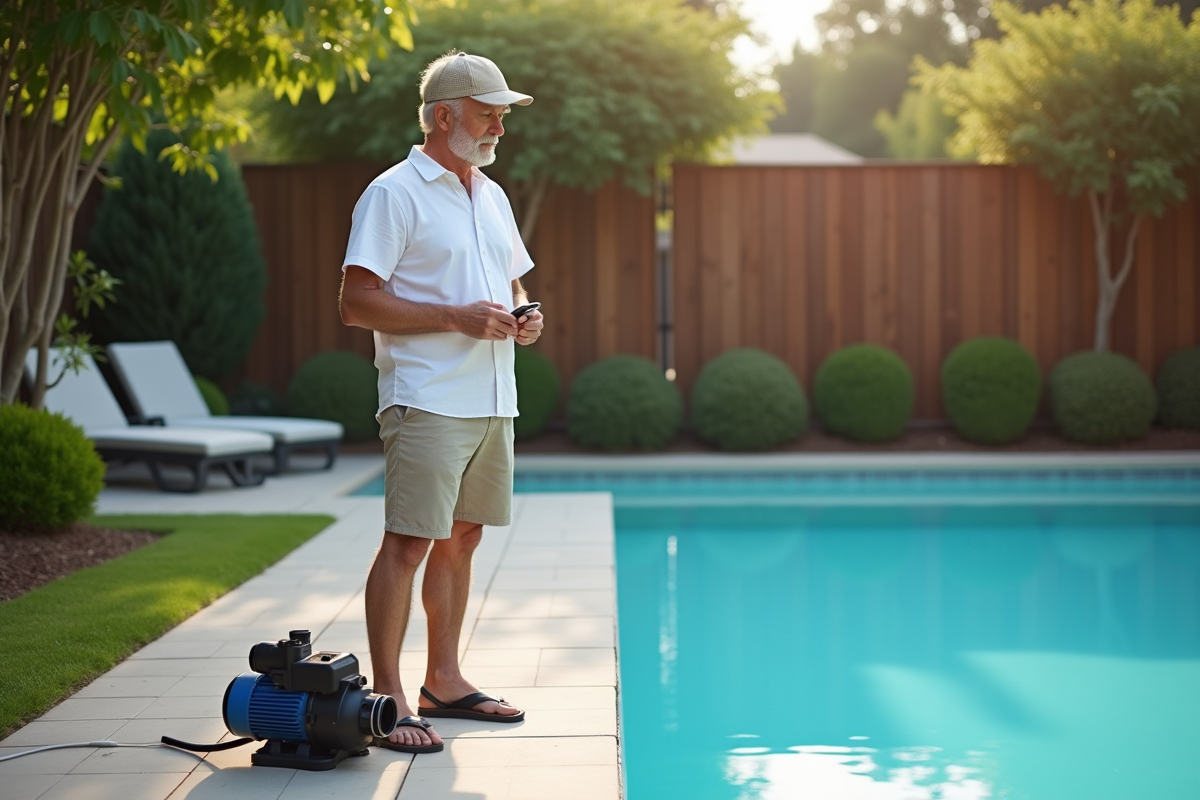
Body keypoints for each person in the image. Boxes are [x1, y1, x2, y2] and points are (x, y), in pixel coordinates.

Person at [338, 51, 544, 754]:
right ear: (444, 115)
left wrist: (524, 314)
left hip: (493, 396)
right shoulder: (392, 194)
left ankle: (444, 682)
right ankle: (388, 698)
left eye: (502, 116)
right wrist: (456, 317)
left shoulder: (492, 194)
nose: (499, 128)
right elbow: (356, 302)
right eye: (489, 114)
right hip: (425, 397)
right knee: (408, 543)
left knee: (464, 537)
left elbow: (512, 284)